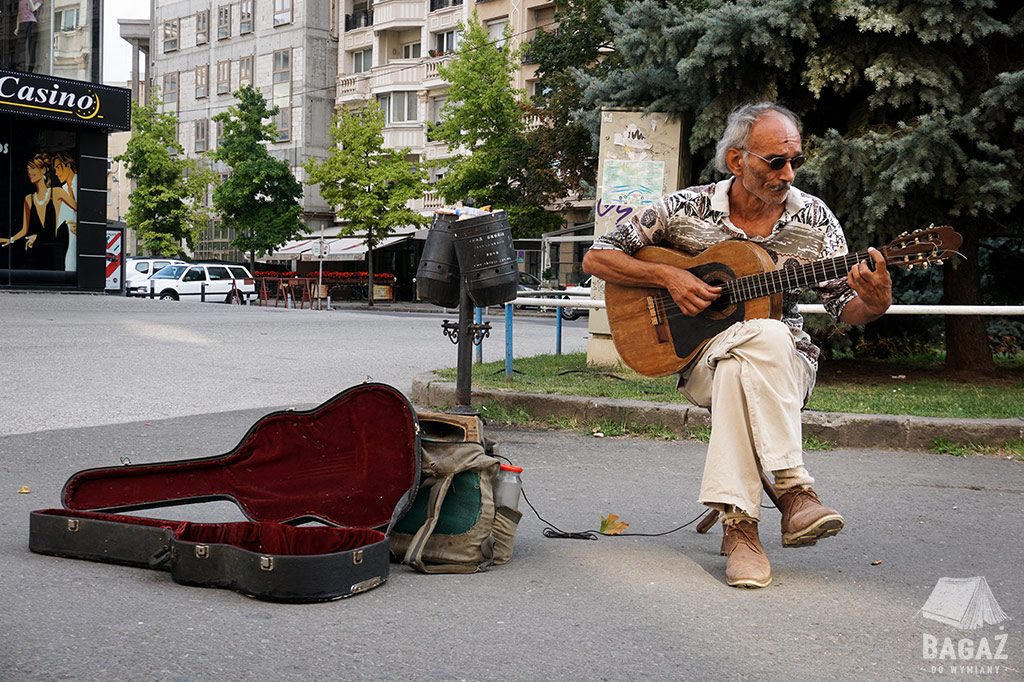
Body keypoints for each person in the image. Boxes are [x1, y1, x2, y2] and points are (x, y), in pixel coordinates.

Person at [582, 102, 893, 589]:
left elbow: (844, 307)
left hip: (787, 368)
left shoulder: (814, 218)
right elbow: (598, 258)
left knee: (761, 342)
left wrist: (874, 303)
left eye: (795, 161)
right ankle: (794, 492)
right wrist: (670, 276)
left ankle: (741, 528)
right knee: (751, 345)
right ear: (736, 160)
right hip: (695, 358)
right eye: (776, 161)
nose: (788, 174)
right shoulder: (686, 208)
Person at [1, 153, 76, 270]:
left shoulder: (57, 193)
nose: (29, 172)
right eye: (28, 169)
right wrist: (11, 240)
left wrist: (76, 225)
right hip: (36, 253)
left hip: (54, 252)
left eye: (32, 168)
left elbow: (80, 209)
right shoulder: (28, 199)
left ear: (43, 170)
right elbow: (24, 230)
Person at [52, 152, 79, 271]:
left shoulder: (81, 185)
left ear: (68, 165)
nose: (56, 173)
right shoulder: (62, 192)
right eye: (55, 169)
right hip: (70, 253)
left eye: (58, 167)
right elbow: (58, 222)